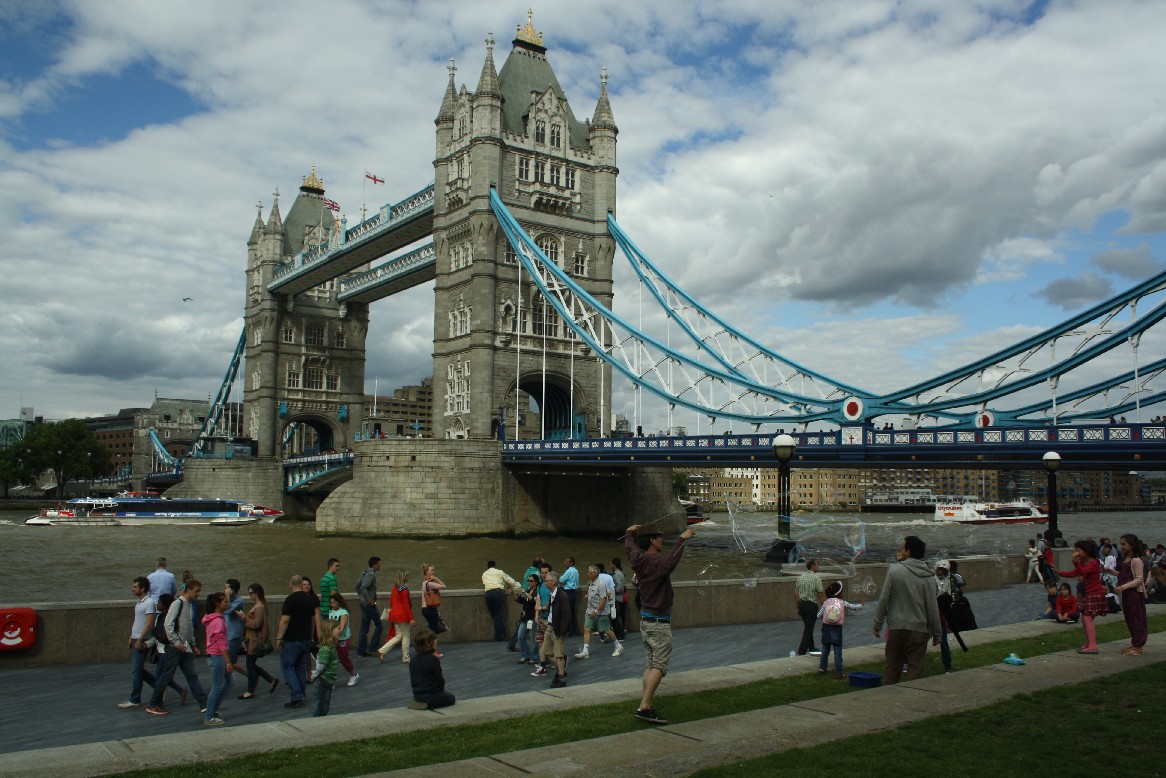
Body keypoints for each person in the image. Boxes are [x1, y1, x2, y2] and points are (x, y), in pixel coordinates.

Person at [625, 523, 696, 725]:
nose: (662, 540)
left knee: (650, 664)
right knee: (660, 666)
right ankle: (645, 706)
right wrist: (682, 539)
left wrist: (628, 533)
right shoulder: (657, 562)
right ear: (652, 541)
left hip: (646, 622)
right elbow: (670, 563)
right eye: (659, 537)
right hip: (658, 623)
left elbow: (630, 549)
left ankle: (645, 702)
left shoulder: (638, 561)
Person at [872, 535, 942, 685]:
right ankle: (911, 698)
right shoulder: (929, 577)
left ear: (908, 552)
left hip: (897, 628)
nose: (900, 550)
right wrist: (937, 633)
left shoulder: (895, 571)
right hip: (919, 631)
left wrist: (878, 623)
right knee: (915, 668)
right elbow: (932, 607)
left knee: (892, 667)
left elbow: (884, 599)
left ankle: (889, 698)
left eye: (903, 547)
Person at [118, 576, 184, 709]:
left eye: (135, 587)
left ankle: (135, 699)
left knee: (136, 670)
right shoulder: (139, 602)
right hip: (137, 638)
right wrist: (132, 636)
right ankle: (159, 686)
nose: (132, 588)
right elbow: (138, 622)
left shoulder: (148, 603)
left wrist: (141, 639)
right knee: (137, 670)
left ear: (143, 588)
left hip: (143, 640)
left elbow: (149, 623)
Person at [146, 579, 207, 716]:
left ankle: (204, 704)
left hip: (184, 648)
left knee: (191, 676)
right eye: (197, 591)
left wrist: (192, 644)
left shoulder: (189, 605)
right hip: (175, 648)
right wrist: (176, 641)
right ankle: (154, 704)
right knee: (166, 676)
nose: (198, 594)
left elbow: (189, 627)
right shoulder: (177, 603)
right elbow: (168, 624)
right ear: (189, 590)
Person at [1056, 539, 1107, 654]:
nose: (1076, 552)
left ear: (1086, 551)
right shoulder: (1085, 563)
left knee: (1087, 618)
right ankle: (1088, 643)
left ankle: (1093, 645)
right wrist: (1060, 572)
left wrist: (1075, 562)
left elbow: (1082, 572)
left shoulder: (1093, 563)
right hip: (1090, 594)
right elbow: (1075, 573)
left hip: (1095, 594)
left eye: (1078, 550)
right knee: (1085, 619)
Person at [275, 574, 316, 708]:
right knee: (300, 666)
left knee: (287, 666)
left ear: (291, 584)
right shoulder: (309, 600)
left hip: (292, 639)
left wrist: (279, 637)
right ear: (300, 584)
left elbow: (285, 620)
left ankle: (297, 695)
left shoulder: (290, 600)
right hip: (305, 639)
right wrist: (310, 637)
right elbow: (312, 621)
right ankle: (302, 695)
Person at [574, 565, 623, 659]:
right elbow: (594, 593)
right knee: (587, 629)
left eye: (589, 572)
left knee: (607, 630)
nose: (587, 573)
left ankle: (618, 646)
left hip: (601, 612)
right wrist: (588, 595)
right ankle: (585, 651)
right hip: (590, 610)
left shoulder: (601, 584)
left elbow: (603, 599)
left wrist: (596, 611)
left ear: (594, 574)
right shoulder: (591, 582)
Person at [1111, 533, 1149, 656]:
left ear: (1131, 545)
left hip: (1134, 594)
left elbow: (1139, 579)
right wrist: (1111, 572)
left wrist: (1123, 587)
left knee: (1136, 618)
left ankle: (1138, 645)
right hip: (1126, 594)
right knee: (1129, 618)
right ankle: (1135, 642)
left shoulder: (1136, 560)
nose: (1121, 547)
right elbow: (1124, 575)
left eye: (1123, 544)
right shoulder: (1125, 559)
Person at [238, 582, 278, 699]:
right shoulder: (258, 606)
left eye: (251, 593)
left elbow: (256, 624)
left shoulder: (259, 607)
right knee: (251, 664)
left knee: (250, 665)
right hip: (252, 639)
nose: (250, 596)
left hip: (255, 641)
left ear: (257, 593)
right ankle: (271, 680)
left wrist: (244, 617)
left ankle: (250, 690)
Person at [816, 580, 862, 679]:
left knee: (825, 649)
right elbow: (853, 607)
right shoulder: (842, 602)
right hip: (837, 628)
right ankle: (838, 672)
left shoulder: (826, 602)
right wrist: (861, 605)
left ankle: (822, 668)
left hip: (826, 628)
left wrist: (826, 615)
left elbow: (818, 615)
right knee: (837, 651)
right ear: (839, 593)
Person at [201, 591, 234, 725]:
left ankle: (213, 709)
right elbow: (221, 644)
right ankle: (209, 716)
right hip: (217, 656)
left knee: (230, 681)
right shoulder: (218, 622)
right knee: (216, 686)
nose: (228, 604)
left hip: (213, 655)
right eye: (225, 602)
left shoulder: (211, 618)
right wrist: (228, 661)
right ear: (218, 604)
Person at [407, 629, 455, 710]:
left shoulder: (413, 661)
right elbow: (439, 680)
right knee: (451, 698)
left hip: (417, 695)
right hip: (432, 695)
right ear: (428, 643)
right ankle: (429, 705)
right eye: (435, 639)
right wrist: (440, 690)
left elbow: (414, 681)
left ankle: (420, 703)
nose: (437, 641)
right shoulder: (433, 659)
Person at [542, 571, 572, 688]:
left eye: (547, 580)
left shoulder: (562, 596)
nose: (545, 582)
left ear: (553, 582)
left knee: (559, 655)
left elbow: (566, 615)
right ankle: (562, 670)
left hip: (558, 629)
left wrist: (562, 632)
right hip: (550, 626)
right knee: (546, 652)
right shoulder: (552, 594)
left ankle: (561, 678)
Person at [378, 570, 416, 664]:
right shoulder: (405, 590)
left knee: (398, 636)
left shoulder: (394, 588)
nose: (408, 578)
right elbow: (406, 606)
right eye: (407, 576)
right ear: (404, 578)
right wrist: (411, 618)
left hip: (394, 615)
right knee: (406, 636)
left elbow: (391, 602)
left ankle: (382, 651)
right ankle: (406, 658)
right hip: (403, 616)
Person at [481, 561, 519, 642]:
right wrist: (519, 586)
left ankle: (502, 632)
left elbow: (485, 582)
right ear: (495, 566)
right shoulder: (499, 572)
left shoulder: (484, 574)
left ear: (487, 567)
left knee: (494, 615)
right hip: (498, 593)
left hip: (488, 594)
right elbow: (510, 581)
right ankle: (499, 636)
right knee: (498, 615)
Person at [794, 560, 825, 656]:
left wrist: (797, 607)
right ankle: (801, 651)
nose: (819, 566)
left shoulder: (800, 578)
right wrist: (826, 606)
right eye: (817, 564)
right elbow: (820, 595)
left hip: (802, 605)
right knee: (808, 628)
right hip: (811, 605)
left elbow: (796, 594)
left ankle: (812, 648)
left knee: (808, 627)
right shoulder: (816, 578)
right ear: (812, 566)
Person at [328, 591, 360, 685]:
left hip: (343, 639)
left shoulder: (344, 612)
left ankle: (354, 674)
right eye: (331, 603)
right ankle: (331, 680)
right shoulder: (331, 612)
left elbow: (342, 627)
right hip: (333, 639)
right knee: (331, 660)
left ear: (339, 602)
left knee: (343, 658)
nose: (332, 604)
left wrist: (337, 634)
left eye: (334, 602)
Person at [311, 619, 340, 717]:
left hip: (329, 680)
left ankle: (322, 720)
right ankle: (316, 722)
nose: (341, 630)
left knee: (325, 704)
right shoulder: (326, 649)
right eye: (338, 629)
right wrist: (314, 675)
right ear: (330, 631)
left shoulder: (331, 647)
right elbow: (322, 666)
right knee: (319, 703)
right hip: (322, 680)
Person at [356, 556, 383, 657]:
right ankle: (372, 649)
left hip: (364, 604)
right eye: (379, 564)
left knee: (364, 628)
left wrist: (362, 597)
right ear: (375, 564)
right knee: (380, 625)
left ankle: (361, 651)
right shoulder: (371, 574)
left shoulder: (365, 572)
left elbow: (357, 585)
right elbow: (363, 587)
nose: (380, 566)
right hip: (369, 604)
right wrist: (368, 600)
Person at [515, 573, 540, 664]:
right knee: (520, 636)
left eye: (531, 581)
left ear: (536, 582)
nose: (529, 582)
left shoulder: (538, 591)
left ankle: (534, 658)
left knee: (533, 639)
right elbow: (520, 600)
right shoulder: (528, 590)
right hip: (525, 618)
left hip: (533, 618)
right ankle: (525, 655)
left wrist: (524, 593)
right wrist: (513, 593)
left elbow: (534, 601)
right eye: (528, 581)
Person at [224, 579, 247, 675]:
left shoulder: (238, 601)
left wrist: (227, 597)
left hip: (234, 635)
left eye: (226, 588)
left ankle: (251, 676)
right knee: (227, 661)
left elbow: (226, 610)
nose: (224, 590)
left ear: (231, 590)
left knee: (230, 662)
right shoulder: (229, 599)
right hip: (226, 634)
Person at [420, 563, 447, 639]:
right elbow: (444, 586)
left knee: (431, 628)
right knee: (433, 631)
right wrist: (436, 578)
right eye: (431, 570)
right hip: (430, 609)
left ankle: (429, 646)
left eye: (434, 570)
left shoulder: (424, 583)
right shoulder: (430, 583)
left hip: (424, 609)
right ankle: (431, 648)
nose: (433, 572)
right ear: (426, 572)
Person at [560, 557, 580, 637]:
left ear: (571, 563)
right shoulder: (576, 571)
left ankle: (568, 631)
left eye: (567, 562)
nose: (565, 563)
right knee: (572, 612)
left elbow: (561, 580)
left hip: (567, 592)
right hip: (573, 593)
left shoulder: (569, 571)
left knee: (567, 612)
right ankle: (573, 630)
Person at [610, 558, 628, 640]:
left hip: (616, 599)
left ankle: (620, 635)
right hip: (618, 598)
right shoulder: (620, 573)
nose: (610, 566)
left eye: (611, 564)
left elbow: (619, 587)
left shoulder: (616, 574)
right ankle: (618, 634)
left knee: (616, 617)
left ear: (614, 564)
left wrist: (612, 591)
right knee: (615, 617)